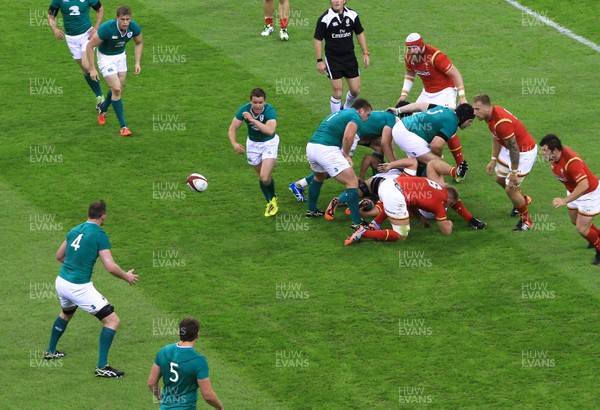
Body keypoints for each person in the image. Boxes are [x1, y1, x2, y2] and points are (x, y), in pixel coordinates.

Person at [44, 200, 138, 378]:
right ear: (103, 216)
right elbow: (110, 267)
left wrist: (75, 266)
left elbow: (59, 256)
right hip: (79, 287)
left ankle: (51, 351)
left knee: (66, 314)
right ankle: (102, 367)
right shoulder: (100, 235)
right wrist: (127, 276)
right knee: (112, 321)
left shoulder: (74, 230)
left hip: (61, 282)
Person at [345, 158, 467, 246]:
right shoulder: (440, 201)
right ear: (448, 200)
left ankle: (374, 225)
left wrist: (420, 219)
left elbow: (411, 202)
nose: (447, 208)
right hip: (395, 194)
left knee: (400, 207)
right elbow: (446, 231)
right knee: (401, 234)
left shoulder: (434, 186)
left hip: (388, 184)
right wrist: (449, 223)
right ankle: (364, 233)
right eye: (449, 205)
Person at [289, 109, 397, 203]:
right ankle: (299, 185)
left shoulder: (385, 115)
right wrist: (395, 166)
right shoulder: (393, 121)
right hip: (351, 135)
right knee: (341, 167)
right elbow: (386, 144)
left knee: (378, 147)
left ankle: (376, 181)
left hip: (354, 134)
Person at [397, 33, 469, 172]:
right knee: (416, 122)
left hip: (445, 91)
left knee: (449, 123)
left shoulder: (436, 56)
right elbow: (410, 73)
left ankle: (461, 165)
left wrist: (462, 96)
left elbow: (455, 74)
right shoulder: (409, 56)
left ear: (421, 45)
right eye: (408, 48)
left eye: (413, 48)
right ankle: (427, 159)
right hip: (427, 92)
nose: (410, 51)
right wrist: (404, 95)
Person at [472, 94, 537, 231]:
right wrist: (493, 160)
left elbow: (514, 148)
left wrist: (513, 172)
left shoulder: (501, 122)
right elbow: (496, 137)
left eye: (477, 109)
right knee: (500, 178)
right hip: (509, 150)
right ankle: (522, 200)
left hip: (523, 152)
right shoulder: (490, 116)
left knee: (510, 187)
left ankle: (526, 221)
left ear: (487, 107)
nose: (474, 113)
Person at [305, 98, 372, 229]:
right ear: (361, 110)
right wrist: (346, 155)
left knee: (319, 177)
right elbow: (348, 136)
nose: (367, 118)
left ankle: (311, 210)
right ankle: (357, 223)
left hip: (311, 147)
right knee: (352, 182)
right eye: (367, 114)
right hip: (326, 149)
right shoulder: (355, 116)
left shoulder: (340, 113)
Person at [539, 135, 600, 265]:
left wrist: (564, 200)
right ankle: (596, 236)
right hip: (575, 191)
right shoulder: (556, 157)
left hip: (589, 194)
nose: (542, 153)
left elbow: (584, 185)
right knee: (574, 221)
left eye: (545, 150)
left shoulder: (572, 163)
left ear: (555, 150)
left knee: (582, 228)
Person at [87, 6, 143, 137]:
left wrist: (137, 62)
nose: (125, 22)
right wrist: (92, 68)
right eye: (122, 19)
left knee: (119, 89)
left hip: (120, 56)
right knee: (117, 89)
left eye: (127, 19)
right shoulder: (107, 28)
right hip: (106, 58)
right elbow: (90, 46)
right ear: (117, 18)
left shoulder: (133, 28)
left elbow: (139, 43)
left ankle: (103, 110)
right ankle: (123, 126)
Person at [148, 317, 224, 409]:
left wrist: (162, 399)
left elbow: (151, 383)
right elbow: (208, 396)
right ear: (197, 335)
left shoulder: (164, 351)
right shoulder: (199, 360)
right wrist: (220, 407)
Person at [383, 102, 474, 175]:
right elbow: (435, 145)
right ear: (463, 117)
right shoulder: (452, 122)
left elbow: (420, 105)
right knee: (436, 162)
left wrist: (398, 110)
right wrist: (439, 156)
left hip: (403, 126)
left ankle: (412, 179)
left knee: (418, 164)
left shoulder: (445, 109)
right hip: (407, 134)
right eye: (469, 121)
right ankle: (457, 173)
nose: (470, 124)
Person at [228, 88, 280, 217]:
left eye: (260, 102)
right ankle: (271, 200)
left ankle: (272, 201)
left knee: (264, 176)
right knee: (262, 178)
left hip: (269, 143)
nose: (257, 105)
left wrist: (252, 119)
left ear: (265, 101)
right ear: (250, 101)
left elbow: (269, 131)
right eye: (255, 102)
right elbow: (232, 129)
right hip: (252, 145)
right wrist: (234, 144)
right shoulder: (243, 110)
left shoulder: (269, 111)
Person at [47, 0, 105, 109]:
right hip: (71, 39)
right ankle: (99, 95)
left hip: (86, 36)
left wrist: (96, 27)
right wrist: (55, 29)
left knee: (86, 65)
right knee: (85, 69)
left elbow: (100, 9)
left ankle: (100, 97)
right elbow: (51, 16)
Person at [315, 0, 370, 113]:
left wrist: (365, 52)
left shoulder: (352, 15)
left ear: (344, 0)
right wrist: (319, 60)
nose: (336, 1)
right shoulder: (325, 18)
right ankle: (336, 118)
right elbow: (318, 39)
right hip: (333, 59)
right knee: (338, 91)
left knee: (355, 90)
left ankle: (345, 109)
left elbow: (359, 33)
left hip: (350, 58)